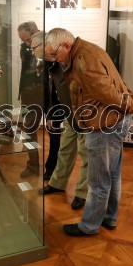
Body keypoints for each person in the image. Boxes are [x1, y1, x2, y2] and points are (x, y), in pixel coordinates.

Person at [44, 28, 133, 236]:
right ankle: (109, 218)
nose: (53, 59)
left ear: (66, 46)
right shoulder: (88, 50)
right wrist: (131, 100)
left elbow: (107, 92)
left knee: (98, 180)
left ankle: (89, 226)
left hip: (105, 124)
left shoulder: (84, 60)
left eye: (54, 54)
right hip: (113, 120)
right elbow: (115, 80)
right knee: (112, 174)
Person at [31, 32, 88, 210]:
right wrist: (52, 114)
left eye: (33, 48)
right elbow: (54, 90)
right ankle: (57, 183)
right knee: (65, 149)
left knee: (86, 154)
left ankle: (82, 193)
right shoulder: (51, 63)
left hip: (85, 114)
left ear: (46, 45)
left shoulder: (74, 60)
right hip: (68, 112)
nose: (32, 52)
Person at [17, 21, 43, 178]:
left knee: (33, 129)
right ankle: (33, 165)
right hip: (28, 92)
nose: (25, 43)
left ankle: (47, 167)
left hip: (40, 92)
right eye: (22, 40)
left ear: (35, 32)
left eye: (27, 39)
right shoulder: (25, 47)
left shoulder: (47, 44)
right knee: (29, 129)